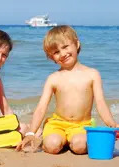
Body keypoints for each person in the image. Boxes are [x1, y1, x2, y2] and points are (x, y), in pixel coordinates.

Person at [16, 25, 119, 154]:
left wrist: (113, 125)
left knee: (80, 146)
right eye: (56, 52)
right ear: (51, 57)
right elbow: (41, 107)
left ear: (77, 44)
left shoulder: (92, 74)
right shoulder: (53, 78)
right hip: (57, 124)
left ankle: (68, 141)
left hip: (82, 125)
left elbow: (100, 103)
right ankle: (52, 138)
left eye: (65, 47)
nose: (63, 54)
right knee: (52, 145)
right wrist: (31, 132)